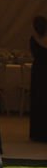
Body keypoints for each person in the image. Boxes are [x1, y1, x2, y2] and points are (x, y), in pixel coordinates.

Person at [30, 16, 47, 145]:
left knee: (38, 101)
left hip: (38, 72)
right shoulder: (34, 39)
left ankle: (38, 133)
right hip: (41, 72)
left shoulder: (33, 39)